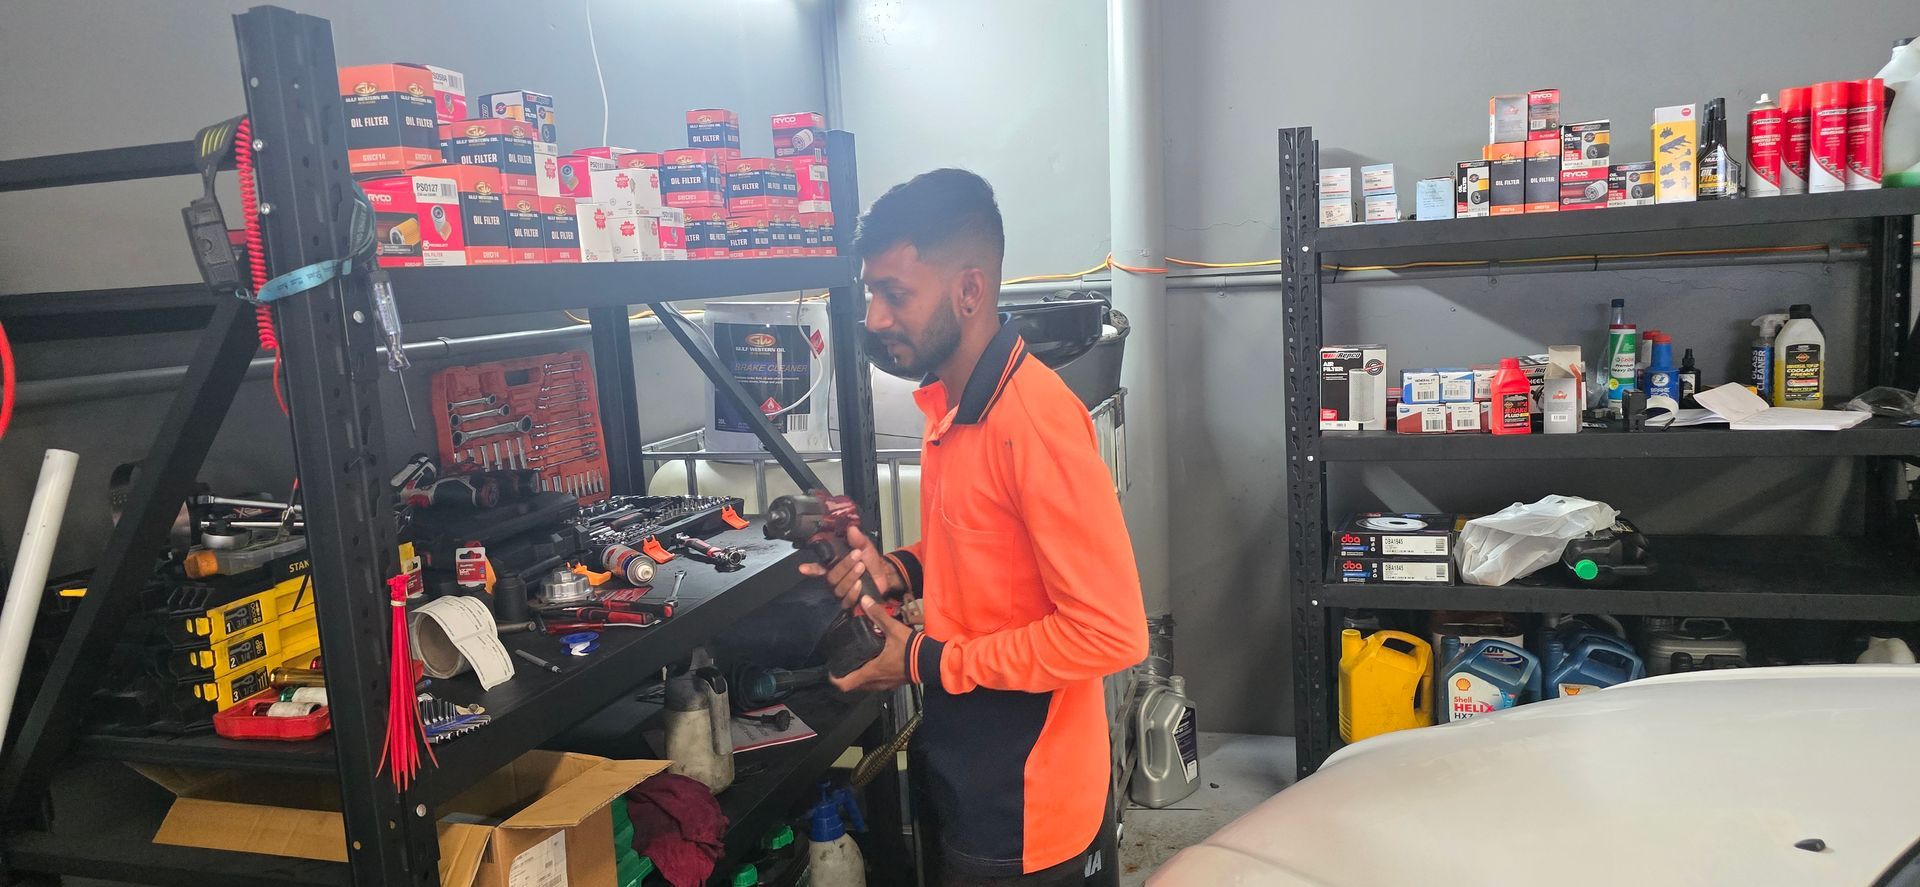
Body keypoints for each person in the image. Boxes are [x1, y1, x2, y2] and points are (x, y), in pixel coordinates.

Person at [798, 169, 1148, 886]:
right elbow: (986, 546)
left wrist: (926, 661)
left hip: (1030, 808)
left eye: (896, 294)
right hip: (972, 771)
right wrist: (900, 568)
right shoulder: (952, 410)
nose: (874, 318)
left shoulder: (1036, 424)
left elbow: (1111, 632)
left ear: (969, 290)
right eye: (872, 293)